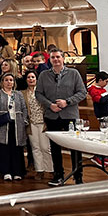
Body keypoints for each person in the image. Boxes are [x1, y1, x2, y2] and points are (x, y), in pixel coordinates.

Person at [36, 49, 87, 186]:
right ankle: (58, 175)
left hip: (70, 115)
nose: (56, 60)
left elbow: (82, 92)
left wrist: (67, 102)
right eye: (53, 57)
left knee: (75, 147)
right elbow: (38, 94)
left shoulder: (74, 73)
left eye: (58, 57)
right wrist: (50, 105)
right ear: (50, 60)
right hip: (52, 116)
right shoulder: (43, 75)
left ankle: (78, 177)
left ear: (63, 58)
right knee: (55, 148)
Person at [0, 74, 28, 181]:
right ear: (2, 82)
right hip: (3, 124)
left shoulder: (18, 94)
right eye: (6, 80)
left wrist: (24, 120)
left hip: (17, 124)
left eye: (11, 80)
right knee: (4, 148)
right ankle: (6, 171)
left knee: (17, 148)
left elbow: (24, 108)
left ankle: (17, 171)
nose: (9, 82)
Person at [22, 70, 54, 179]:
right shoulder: (23, 93)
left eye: (33, 77)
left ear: (37, 79)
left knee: (45, 147)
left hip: (43, 122)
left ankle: (50, 169)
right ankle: (39, 170)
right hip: (31, 123)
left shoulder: (42, 91)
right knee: (35, 147)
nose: (31, 79)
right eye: (29, 77)